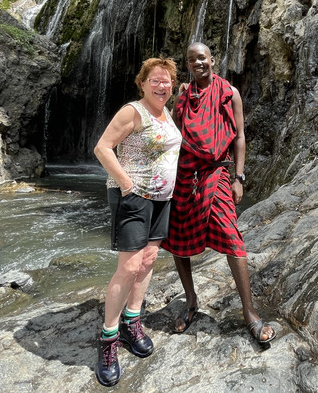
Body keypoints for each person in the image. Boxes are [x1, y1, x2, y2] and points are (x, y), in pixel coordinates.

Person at [161, 42, 276, 344]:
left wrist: (238, 177)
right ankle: (190, 301)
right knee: (176, 239)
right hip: (184, 175)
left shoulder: (229, 93)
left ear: (212, 60)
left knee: (231, 237)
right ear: (187, 64)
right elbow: (173, 137)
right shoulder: (183, 96)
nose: (197, 63)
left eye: (202, 58)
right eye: (191, 60)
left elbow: (239, 137)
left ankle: (249, 312)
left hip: (216, 172)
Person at [92, 57, 182, 387]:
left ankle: (132, 322)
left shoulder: (166, 112)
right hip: (133, 197)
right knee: (128, 268)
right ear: (142, 83)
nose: (162, 85)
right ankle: (108, 341)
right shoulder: (133, 111)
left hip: (162, 201)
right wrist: (127, 185)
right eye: (155, 80)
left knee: (147, 262)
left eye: (168, 81)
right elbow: (102, 148)